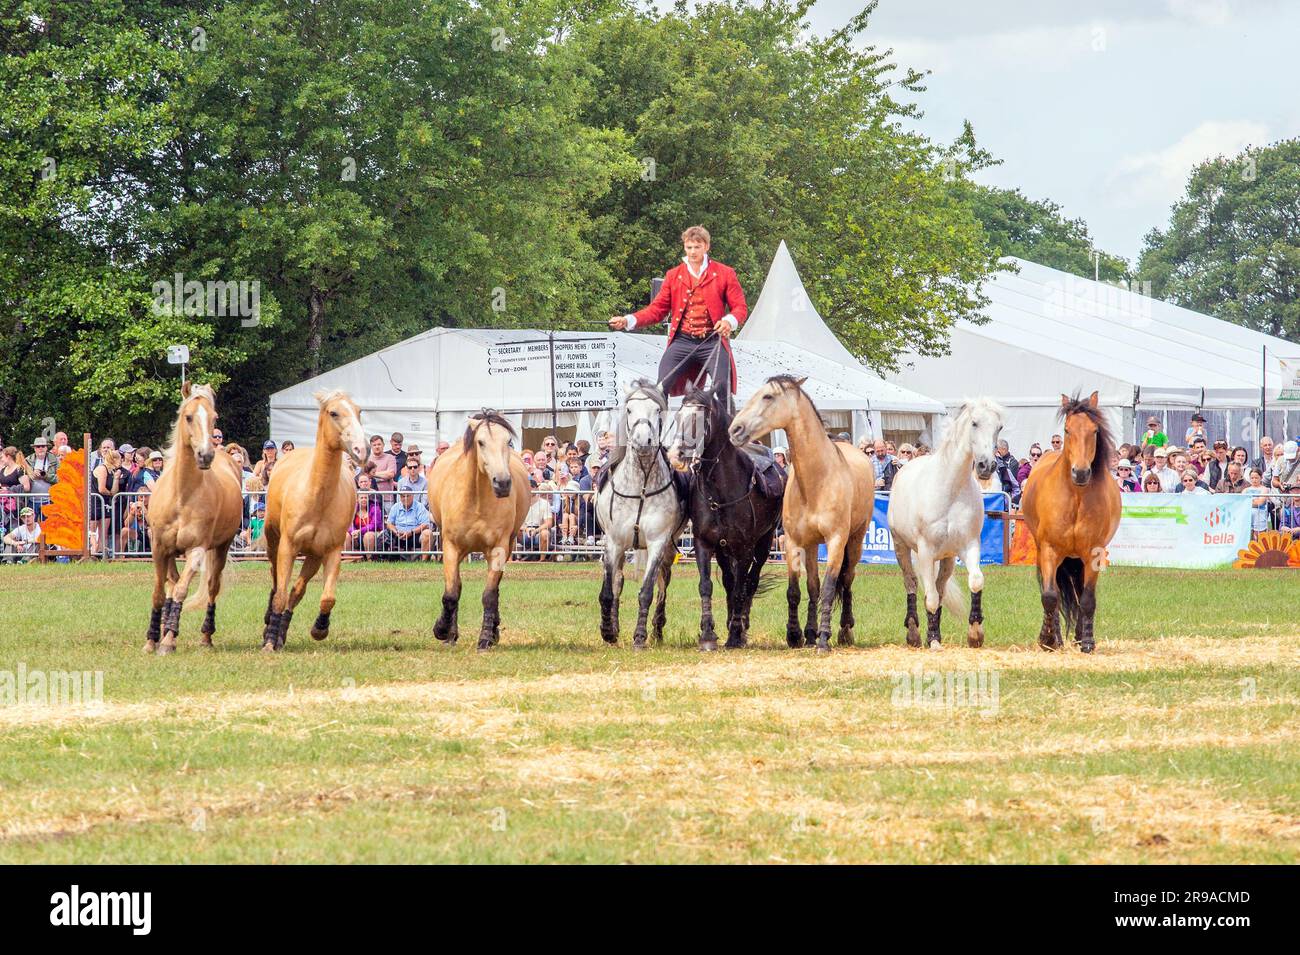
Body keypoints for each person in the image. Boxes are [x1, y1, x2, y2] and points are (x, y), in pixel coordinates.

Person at [608, 225, 748, 402]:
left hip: (712, 341)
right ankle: (657, 428)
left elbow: (740, 308)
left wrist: (729, 321)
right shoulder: (674, 275)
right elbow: (657, 310)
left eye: (697, 247)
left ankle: (727, 429)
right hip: (682, 341)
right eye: (689, 247)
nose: (692, 252)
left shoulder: (725, 273)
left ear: (706, 247)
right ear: (684, 247)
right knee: (660, 388)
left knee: (722, 388)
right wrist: (628, 320)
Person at [375, 490, 432, 559]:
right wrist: (395, 531)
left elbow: (425, 524)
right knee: (383, 535)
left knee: (427, 533)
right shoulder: (396, 506)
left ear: (412, 496)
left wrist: (411, 532)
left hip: (415, 534)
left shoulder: (419, 506)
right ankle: (381, 559)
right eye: (402, 496)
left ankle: (424, 561)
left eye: (407, 496)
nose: (405, 498)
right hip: (398, 535)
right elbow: (389, 523)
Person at [518, 482, 556, 560]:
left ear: (536, 488)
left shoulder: (544, 503)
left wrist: (536, 530)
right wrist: (526, 529)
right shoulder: (520, 503)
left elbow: (549, 523)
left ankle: (542, 560)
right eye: (527, 487)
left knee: (545, 533)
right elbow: (517, 522)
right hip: (524, 531)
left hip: (539, 530)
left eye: (532, 487)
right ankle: (512, 560)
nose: (529, 489)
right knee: (512, 531)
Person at [28, 436, 58, 514]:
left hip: (49, 500)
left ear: (46, 448)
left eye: (43, 446)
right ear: (34, 448)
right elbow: (22, 478)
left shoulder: (55, 460)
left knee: (48, 525)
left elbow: (61, 479)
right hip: (31, 500)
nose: (40, 448)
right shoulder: (27, 461)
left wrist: (46, 476)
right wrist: (33, 474)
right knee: (31, 525)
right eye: (38, 446)